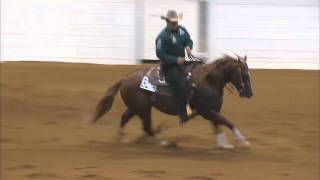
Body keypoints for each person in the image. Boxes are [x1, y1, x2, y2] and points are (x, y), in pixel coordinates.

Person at [155, 10, 193, 124]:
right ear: (167, 22)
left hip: (182, 63)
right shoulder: (162, 36)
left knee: (195, 75)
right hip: (169, 66)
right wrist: (175, 60)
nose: (175, 24)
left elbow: (189, 40)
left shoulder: (182, 30)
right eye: (173, 22)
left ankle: (192, 103)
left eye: (176, 22)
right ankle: (183, 114)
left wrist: (189, 47)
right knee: (180, 83)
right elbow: (160, 53)